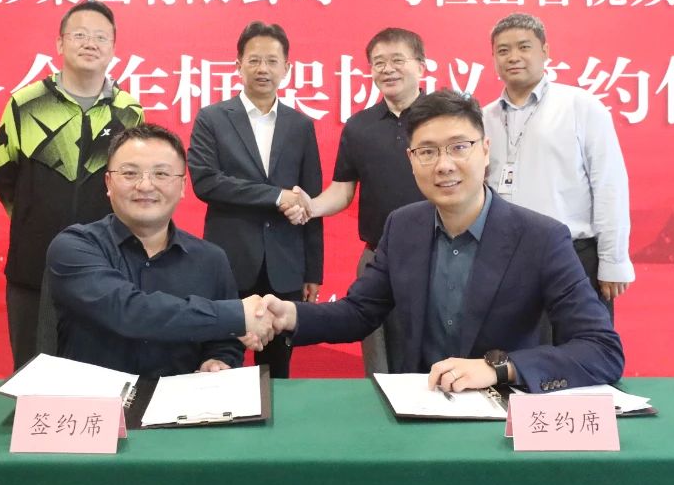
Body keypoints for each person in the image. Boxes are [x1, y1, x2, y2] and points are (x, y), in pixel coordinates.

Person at [259, 90, 623, 393]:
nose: (444, 165)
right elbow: (359, 312)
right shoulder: (403, 226)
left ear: (485, 150)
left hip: (504, 417)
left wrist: (499, 368)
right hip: (422, 412)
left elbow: (602, 350)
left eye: (459, 147)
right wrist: (290, 315)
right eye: (428, 151)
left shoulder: (541, 237)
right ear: (411, 159)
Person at [45, 124, 273, 375]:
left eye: (161, 174)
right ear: (108, 182)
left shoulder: (211, 259)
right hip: (95, 398)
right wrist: (237, 315)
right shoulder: (75, 246)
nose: (145, 186)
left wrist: (217, 360)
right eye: (130, 173)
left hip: (180, 398)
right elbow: (128, 312)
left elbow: (225, 341)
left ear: (183, 186)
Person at [0, 0, 144, 369]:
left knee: (99, 374)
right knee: (32, 375)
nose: (90, 43)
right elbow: (4, 176)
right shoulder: (26, 103)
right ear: (60, 43)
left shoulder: (129, 111)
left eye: (100, 37)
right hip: (33, 267)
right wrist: (34, 219)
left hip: (104, 269)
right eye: (80, 35)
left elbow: (132, 186)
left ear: (113, 48)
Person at [285, 27, 427, 374]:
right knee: (379, 358)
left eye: (397, 60)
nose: (388, 69)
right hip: (380, 256)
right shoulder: (360, 126)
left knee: (437, 351)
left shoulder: (444, 118)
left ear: (421, 66)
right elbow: (343, 190)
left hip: (441, 252)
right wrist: (311, 206)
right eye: (379, 63)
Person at [188, 21, 324, 378]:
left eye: (272, 61)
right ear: (238, 65)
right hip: (230, 259)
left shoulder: (301, 125)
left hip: (286, 262)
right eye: (254, 60)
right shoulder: (212, 118)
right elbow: (206, 182)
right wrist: (275, 195)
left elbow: (310, 200)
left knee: (278, 365)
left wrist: (313, 270)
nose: (263, 69)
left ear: (287, 68)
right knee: (222, 357)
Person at [483, 13, 634, 322]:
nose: (513, 57)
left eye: (524, 47)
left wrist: (613, 261)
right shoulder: (484, 118)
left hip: (572, 256)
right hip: (505, 259)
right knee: (515, 348)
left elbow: (609, 185)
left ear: (545, 51)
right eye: (503, 50)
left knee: (580, 345)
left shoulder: (580, 105)